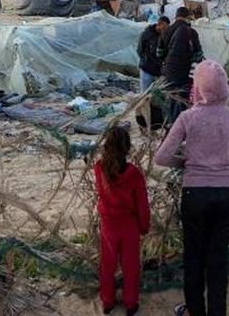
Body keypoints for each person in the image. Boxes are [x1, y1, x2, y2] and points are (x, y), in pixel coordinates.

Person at [154, 60, 229, 316]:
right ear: (224, 86)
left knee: (194, 258)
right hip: (225, 194)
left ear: (199, 87)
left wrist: (185, 162)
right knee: (217, 261)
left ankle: (195, 311)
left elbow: (161, 158)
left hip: (194, 194)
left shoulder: (187, 117)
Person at [94, 126, 150, 316]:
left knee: (107, 264)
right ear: (128, 148)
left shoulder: (99, 168)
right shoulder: (134, 173)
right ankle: (131, 302)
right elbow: (142, 204)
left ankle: (108, 301)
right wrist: (144, 227)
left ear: (107, 146)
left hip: (108, 224)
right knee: (131, 265)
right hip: (129, 225)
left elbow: (101, 195)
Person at [157, 7, 204, 127]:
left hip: (168, 74)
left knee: (171, 100)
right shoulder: (191, 32)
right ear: (187, 17)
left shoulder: (166, 31)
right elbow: (198, 56)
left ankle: (171, 127)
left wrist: (168, 60)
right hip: (184, 74)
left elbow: (159, 54)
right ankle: (182, 128)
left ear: (176, 16)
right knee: (183, 101)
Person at [137, 16, 170, 92]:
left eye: (166, 28)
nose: (165, 30)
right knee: (145, 95)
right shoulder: (146, 34)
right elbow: (139, 50)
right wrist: (146, 60)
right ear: (159, 24)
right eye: (164, 27)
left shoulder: (163, 36)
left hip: (157, 72)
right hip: (147, 70)